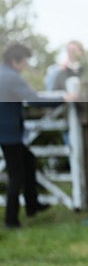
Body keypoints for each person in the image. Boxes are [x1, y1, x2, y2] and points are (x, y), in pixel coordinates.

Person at [1, 42, 77, 228]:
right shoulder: (11, 77)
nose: (26, 65)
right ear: (15, 60)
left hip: (6, 132)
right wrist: (63, 99)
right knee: (16, 175)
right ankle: (12, 220)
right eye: (25, 61)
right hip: (9, 133)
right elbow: (34, 100)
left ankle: (32, 205)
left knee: (28, 161)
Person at [44, 40, 84, 146]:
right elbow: (53, 93)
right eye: (68, 50)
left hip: (86, 117)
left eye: (74, 50)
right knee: (72, 147)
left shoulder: (87, 69)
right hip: (67, 117)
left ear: (81, 52)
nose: (71, 53)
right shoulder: (59, 73)